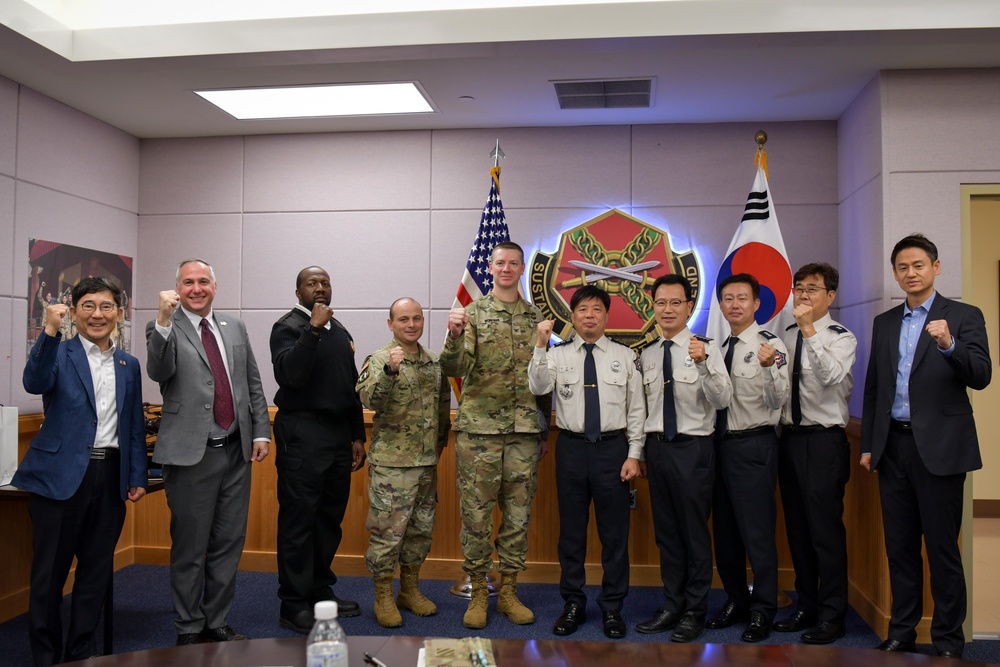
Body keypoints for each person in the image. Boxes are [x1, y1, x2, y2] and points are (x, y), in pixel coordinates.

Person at [861, 234, 991, 659]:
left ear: (936, 267)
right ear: (896, 273)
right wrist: (869, 444)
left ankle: (949, 640)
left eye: (918, 265)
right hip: (893, 448)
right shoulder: (885, 322)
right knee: (899, 549)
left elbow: (981, 375)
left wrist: (948, 344)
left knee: (941, 549)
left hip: (940, 450)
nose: (910, 273)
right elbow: (876, 388)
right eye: (902, 267)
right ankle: (902, 630)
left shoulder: (964, 316)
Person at [14, 277, 147, 666]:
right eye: (87, 306)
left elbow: (134, 424)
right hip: (58, 480)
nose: (97, 315)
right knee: (48, 581)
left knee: (94, 577)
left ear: (119, 314)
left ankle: (80, 655)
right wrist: (49, 331)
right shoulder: (58, 351)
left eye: (106, 307)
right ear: (73, 312)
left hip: (109, 480)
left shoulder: (128, 363)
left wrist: (136, 475)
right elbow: (33, 381)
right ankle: (46, 657)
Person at [146, 259, 271, 646]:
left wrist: (261, 432)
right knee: (190, 547)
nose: (196, 289)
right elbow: (158, 370)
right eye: (188, 283)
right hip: (190, 455)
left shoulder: (235, 326)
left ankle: (216, 621)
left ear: (215, 287)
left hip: (236, 452)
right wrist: (164, 322)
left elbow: (251, 380)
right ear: (177, 289)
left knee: (228, 544)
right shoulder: (163, 327)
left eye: (203, 282)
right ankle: (188, 627)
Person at [440, 240, 546, 629]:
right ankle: (480, 591)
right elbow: (453, 367)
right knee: (477, 515)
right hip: (479, 433)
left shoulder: (537, 318)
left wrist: (543, 428)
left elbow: (544, 379)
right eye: (500, 262)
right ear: (491, 266)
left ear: (521, 269)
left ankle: (510, 592)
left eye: (513, 263)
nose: (506, 268)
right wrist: (453, 335)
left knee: (518, 516)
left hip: (523, 433)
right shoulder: (471, 314)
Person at [528, 285, 644, 640]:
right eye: (582, 310)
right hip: (573, 449)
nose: (589, 315)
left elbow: (636, 409)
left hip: (613, 452)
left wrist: (634, 454)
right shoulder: (557, 355)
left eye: (596, 309)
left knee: (614, 535)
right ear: (572, 316)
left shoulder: (625, 357)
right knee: (572, 534)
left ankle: (612, 607)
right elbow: (536, 385)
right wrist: (539, 344)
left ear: (607, 316)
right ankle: (573, 603)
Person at [633, 274, 731, 643]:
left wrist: (704, 363)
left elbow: (722, 400)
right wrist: (639, 453)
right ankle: (672, 604)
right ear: (653, 307)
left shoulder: (706, 347)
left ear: (689, 307)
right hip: (658, 450)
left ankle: (695, 610)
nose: (668, 309)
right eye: (661, 303)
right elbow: (642, 409)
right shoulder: (647, 354)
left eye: (676, 303)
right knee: (667, 534)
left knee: (693, 532)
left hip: (693, 450)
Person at [269, 266, 366, 633]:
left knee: (328, 519)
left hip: (338, 436)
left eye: (325, 282)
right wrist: (312, 328)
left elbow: (349, 386)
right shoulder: (288, 327)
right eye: (312, 283)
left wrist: (357, 435)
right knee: (299, 521)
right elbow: (291, 375)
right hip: (302, 433)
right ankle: (293, 603)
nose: (320, 288)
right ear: (298, 294)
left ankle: (320, 591)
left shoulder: (339, 331)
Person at [773, 263, 856, 644]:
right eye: (799, 288)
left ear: (831, 296)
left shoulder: (842, 337)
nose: (803, 296)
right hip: (788, 439)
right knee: (798, 529)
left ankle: (832, 614)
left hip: (824, 442)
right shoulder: (784, 336)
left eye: (813, 289)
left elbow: (830, 377)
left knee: (825, 531)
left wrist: (809, 329)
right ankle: (807, 604)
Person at [356, 297, 450, 628]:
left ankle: (409, 589)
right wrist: (389, 372)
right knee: (387, 533)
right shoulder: (381, 359)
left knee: (420, 531)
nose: (411, 325)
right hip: (392, 466)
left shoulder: (434, 362)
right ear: (391, 324)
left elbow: (442, 408)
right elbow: (368, 400)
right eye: (403, 319)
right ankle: (383, 593)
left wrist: (439, 446)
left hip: (425, 463)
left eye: (416, 319)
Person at [708, 272, 789, 643]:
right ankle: (736, 601)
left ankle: (763, 610)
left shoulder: (769, 346)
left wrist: (771, 366)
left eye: (742, 298)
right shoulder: (716, 346)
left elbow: (778, 401)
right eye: (728, 298)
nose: (734, 304)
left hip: (753, 445)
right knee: (724, 533)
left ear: (757, 304)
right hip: (717, 446)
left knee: (756, 532)